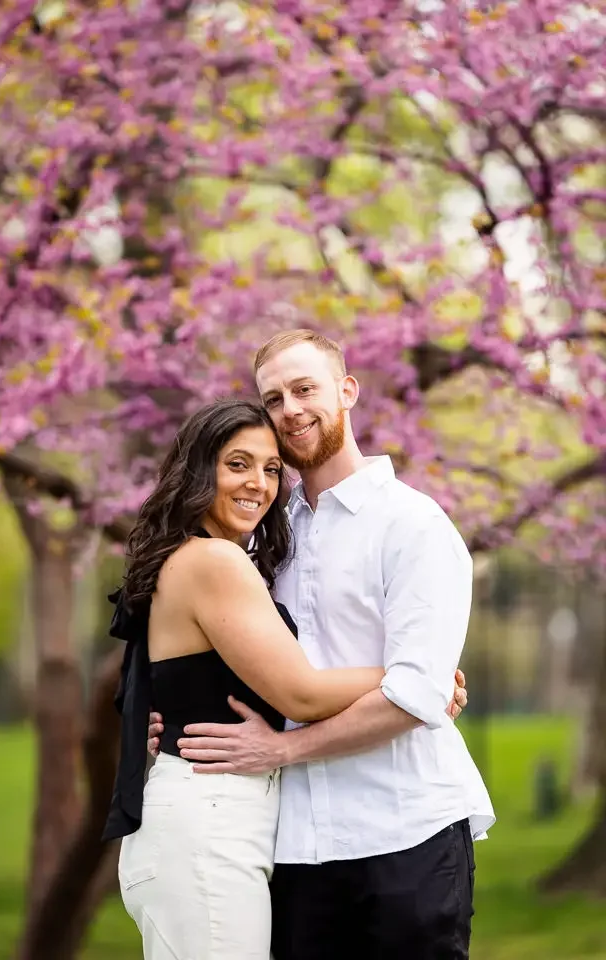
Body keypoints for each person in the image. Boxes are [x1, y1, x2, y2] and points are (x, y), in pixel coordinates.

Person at [148, 328, 495, 960]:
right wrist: (162, 718)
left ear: (347, 391)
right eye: (273, 398)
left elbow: (414, 694)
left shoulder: (413, 526)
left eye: (304, 389)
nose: (290, 410)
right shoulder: (262, 538)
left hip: (406, 832)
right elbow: (209, 651)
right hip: (297, 849)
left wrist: (282, 749)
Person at [104, 398, 389, 960]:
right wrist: (406, 677)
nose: (258, 483)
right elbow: (300, 693)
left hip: (216, 821)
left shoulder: (199, 557)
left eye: (270, 468)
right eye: (238, 464)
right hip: (205, 827)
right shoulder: (214, 561)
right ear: (198, 469)